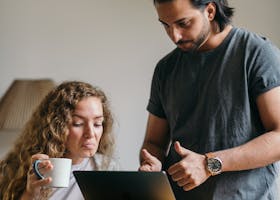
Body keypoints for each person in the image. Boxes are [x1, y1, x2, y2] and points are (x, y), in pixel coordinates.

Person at [139, 0, 280, 199]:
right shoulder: (165, 69)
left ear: (210, 11)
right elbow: (154, 142)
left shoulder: (257, 53)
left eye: (183, 23)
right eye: (166, 25)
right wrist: (150, 166)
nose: (175, 36)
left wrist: (209, 164)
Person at [0, 81, 119, 200]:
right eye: (78, 124)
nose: (91, 134)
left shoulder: (107, 167)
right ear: (56, 127)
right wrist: (31, 193)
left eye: (97, 124)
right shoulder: (28, 167)